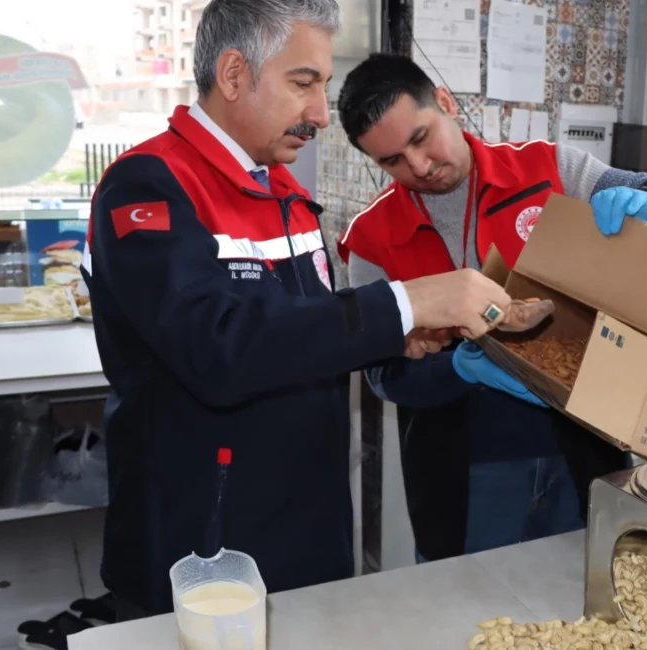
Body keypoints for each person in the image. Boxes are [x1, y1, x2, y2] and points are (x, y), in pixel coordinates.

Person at [81, 0, 514, 619]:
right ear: (233, 75)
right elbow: (217, 349)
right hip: (203, 546)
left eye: (324, 86)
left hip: (308, 533)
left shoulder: (283, 192)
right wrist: (407, 300)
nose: (319, 112)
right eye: (303, 83)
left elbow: (297, 328)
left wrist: (396, 335)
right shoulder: (150, 186)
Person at [335, 53, 647, 563]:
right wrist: (457, 366)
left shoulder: (547, 169)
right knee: (470, 613)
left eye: (420, 138)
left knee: (582, 597)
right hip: (464, 468)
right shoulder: (370, 238)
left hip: (580, 448)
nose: (419, 167)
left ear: (444, 102)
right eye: (391, 161)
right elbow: (383, 377)